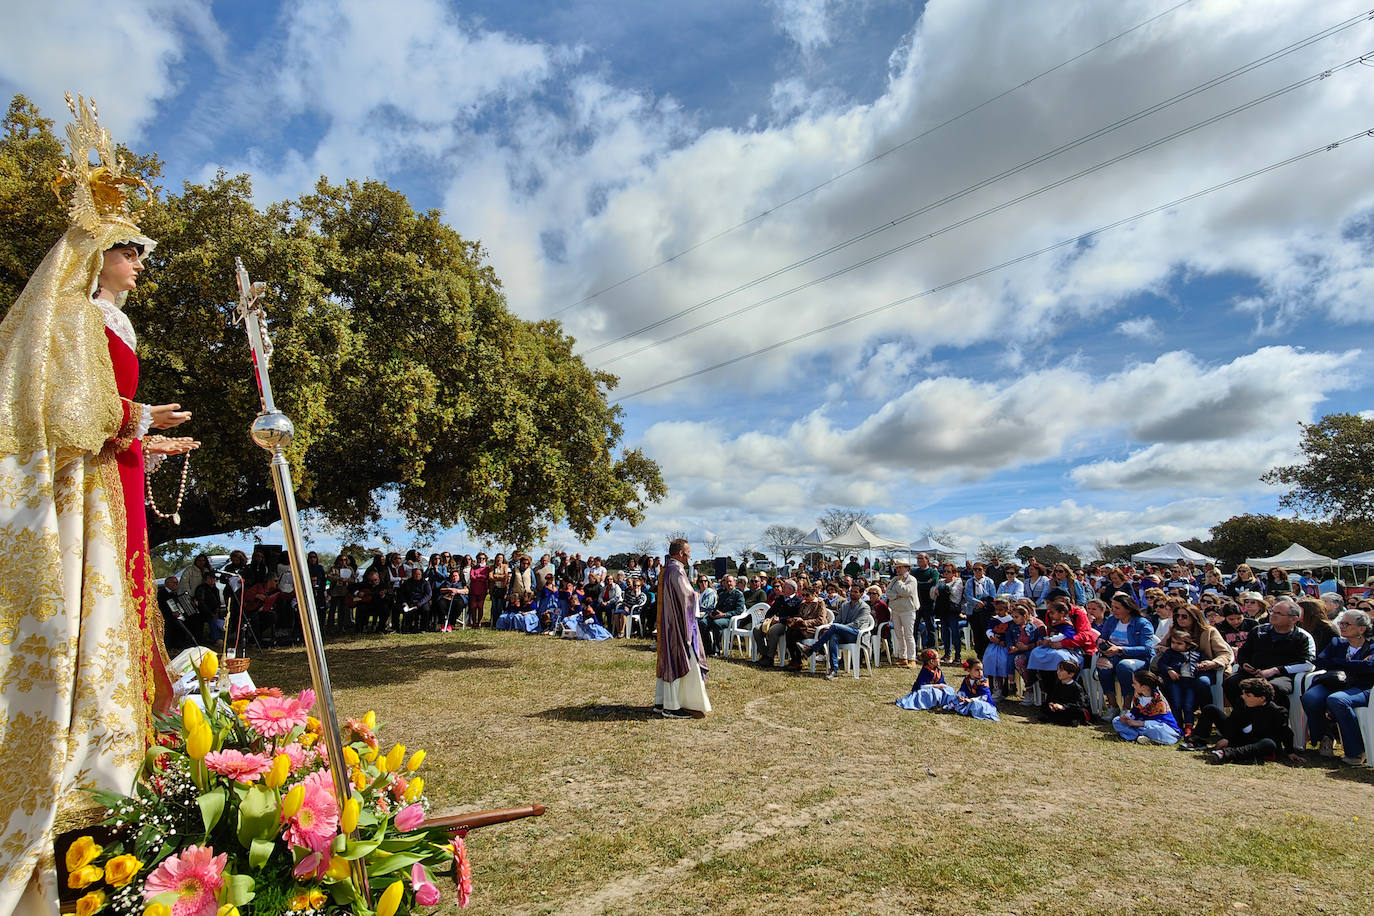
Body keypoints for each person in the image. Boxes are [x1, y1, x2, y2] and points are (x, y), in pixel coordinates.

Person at [0, 97, 211, 910]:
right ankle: (93, 749)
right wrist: (140, 420)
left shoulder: (111, 321)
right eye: (131, 252)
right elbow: (71, 413)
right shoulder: (82, 317)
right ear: (100, 254)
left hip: (113, 477)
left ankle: (123, 737)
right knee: (98, 605)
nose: (140, 264)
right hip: (90, 485)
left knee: (124, 601)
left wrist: (146, 439)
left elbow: (103, 419)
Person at [1300, 608, 1373, 765]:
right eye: (1341, 623)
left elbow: (1370, 667)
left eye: (1347, 624)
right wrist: (1354, 664)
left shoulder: (1372, 646)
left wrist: (1339, 662)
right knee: (1311, 697)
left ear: (1362, 629)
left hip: (1362, 687)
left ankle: (1355, 752)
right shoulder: (1336, 643)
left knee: (1337, 700)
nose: (1342, 626)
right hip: (1334, 682)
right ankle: (1326, 735)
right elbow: (1320, 661)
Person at [1182, 678, 1299, 765]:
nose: (1243, 697)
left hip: (1255, 742)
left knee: (1269, 744)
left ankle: (1226, 754)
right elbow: (1233, 722)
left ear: (1262, 698)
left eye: (1248, 695)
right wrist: (1228, 738)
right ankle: (1198, 741)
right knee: (1210, 709)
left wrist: (1290, 752)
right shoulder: (1242, 701)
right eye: (1243, 694)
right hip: (1237, 735)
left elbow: (1285, 732)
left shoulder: (1278, 712)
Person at [656, 539, 711, 719]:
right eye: (688, 553)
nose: (689, 557)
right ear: (680, 553)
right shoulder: (677, 570)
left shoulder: (666, 569)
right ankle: (672, 705)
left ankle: (663, 701)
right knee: (680, 658)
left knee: (669, 657)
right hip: (679, 625)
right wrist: (696, 596)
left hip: (670, 620)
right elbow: (686, 597)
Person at [1225, 599, 1315, 709]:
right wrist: (1245, 664)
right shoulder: (1258, 631)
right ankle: (1245, 718)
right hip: (1254, 673)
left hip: (1282, 676)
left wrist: (1276, 670)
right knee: (1231, 683)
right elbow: (1244, 652)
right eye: (1272, 611)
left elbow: (1308, 664)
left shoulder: (1302, 637)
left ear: (1294, 619)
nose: (1273, 615)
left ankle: (1276, 720)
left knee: (1271, 688)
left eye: (1278, 613)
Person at [1094, 594, 1157, 719]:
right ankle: (1113, 706)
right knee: (1103, 666)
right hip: (1113, 654)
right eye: (1113, 607)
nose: (1114, 611)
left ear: (1128, 609)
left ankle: (1127, 707)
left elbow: (1147, 648)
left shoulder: (1142, 623)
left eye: (1117, 608)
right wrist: (1101, 645)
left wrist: (1121, 649)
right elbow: (1102, 637)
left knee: (1124, 666)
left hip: (1137, 657)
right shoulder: (1112, 620)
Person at [805, 584, 873, 679]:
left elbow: (856, 625)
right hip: (843, 633)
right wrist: (837, 627)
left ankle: (813, 649)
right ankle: (834, 670)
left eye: (856, 592)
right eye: (852, 591)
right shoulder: (845, 605)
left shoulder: (864, 607)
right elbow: (837, 620)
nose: (852, 594)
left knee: (835, 627)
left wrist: (839, 627)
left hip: (857, 634)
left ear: (861, 594)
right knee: (833, 637)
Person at [1111, 670, 1180, 745]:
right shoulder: (1138, 696)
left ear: (1143, 687)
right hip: (1140, 724)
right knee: (1117, 721)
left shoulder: (1159, 702)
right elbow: (1135, 713)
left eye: (1135, 683)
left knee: (1156, 730)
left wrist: (1139, 723)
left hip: (1158, 726)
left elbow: (1161, 721)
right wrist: (1128, 717)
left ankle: (1137, 735)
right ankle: (1140, 736)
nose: (1132, 685)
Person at [885, 558, 921, 668]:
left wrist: (900, 585)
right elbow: (888, 593)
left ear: (907, 568)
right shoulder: (894, 579)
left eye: (901, 567)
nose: (898, 569)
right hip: (896, 610)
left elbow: (906, 592)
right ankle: (903, 657)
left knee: (908, 635)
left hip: (908, 610)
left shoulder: (912, 580)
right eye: (897, 567)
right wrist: (897, 595)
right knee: (899, 635)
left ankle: (912, 658)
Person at [1041, 659, 1090, 726]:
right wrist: (1052, 704)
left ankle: (1072, 720)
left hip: (1070, 708)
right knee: (1045, 708)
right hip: (1058, 706)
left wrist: (1064, 707)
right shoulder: (1057, 684)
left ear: (1071, 674)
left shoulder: (1077, 687)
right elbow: (1051, 696)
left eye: (1061, 670)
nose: (1058, 672)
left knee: (1078, 712)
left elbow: (1079, 704)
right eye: (1058, 670)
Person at [934, 561, 965, 662]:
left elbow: (954, 592)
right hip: (943, 610)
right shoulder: (941, 581)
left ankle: (958, 655)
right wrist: (943, 590)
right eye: (944, 571)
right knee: (945, 633)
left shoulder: (958, 581)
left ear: (954, 572)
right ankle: (947, 654)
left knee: (955, 633)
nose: (946, 573)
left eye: (949, 571)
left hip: (953, 610)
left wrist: (942, 590)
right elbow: (934, 591)